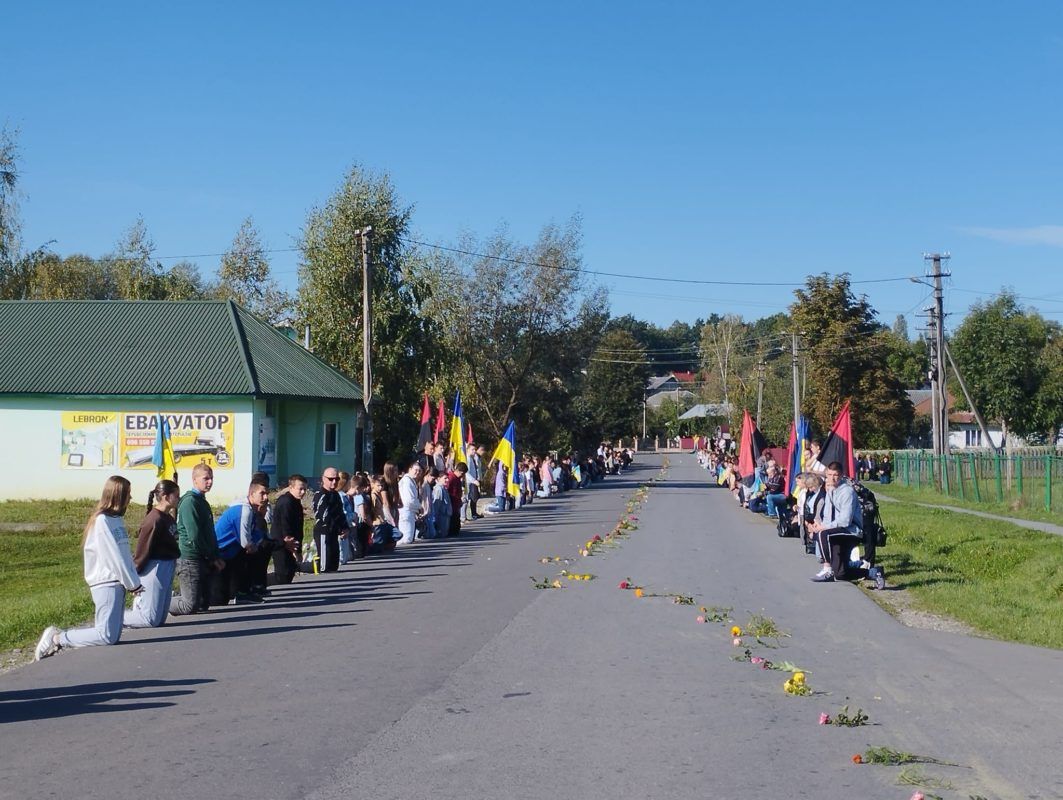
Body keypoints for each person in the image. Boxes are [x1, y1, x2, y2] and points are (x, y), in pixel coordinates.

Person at [35, 476, 143, 660]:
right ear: (118, 494)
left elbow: (124, 554)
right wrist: (132, 584)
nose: (130, 498)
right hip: (106, 581)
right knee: (106, 635)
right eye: (128, 494)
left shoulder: (116, 520)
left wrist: (133, 580)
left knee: (112, 636)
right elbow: (113, 557)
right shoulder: (102, 521)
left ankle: (60, 638)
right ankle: (57, 637)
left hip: (117, 582)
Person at [123, 479, 182, 629]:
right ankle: (113, 619)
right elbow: (143, 549)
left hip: (167, 565)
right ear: (166, 497)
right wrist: (134, 577)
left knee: (160, 618)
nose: (178, 499)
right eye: (176, 496)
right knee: (150, 619)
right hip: (155, 568)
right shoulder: (154, 520)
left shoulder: (168, 518)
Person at [170, 464, 224, 616]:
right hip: (190, 557)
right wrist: (212, 557)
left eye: (211, 478)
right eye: (205, 479)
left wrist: (216, 555)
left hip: (203, 557)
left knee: (203, 604)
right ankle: (160, 602)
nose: (210, 482)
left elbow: (209, 533)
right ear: (194, 480)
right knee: (190, 606)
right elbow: (195, 536)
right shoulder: (190, 502)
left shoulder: (202, 501)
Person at [212, 477, 269, 604]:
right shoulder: (245, 510)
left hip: (232, 552)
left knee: (261, 547)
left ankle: (244, 591)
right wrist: (255, 546)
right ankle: (244, 591)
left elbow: (255, 534)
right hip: (219, 552)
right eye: (262, 493)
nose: (265, 497)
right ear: (251, 494)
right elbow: (245, 542)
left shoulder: (252, 509)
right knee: (218, 600)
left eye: (267, 494)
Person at [808, 462, 863, 582]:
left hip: (852, 530)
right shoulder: (831, 490)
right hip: (838, 530)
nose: (832, 478)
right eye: (829, 474)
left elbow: (845, 520)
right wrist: (820, 526)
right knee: (840, 574)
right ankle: (872, 572)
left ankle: (827, 568)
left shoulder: (847, 492)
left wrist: (824, 528)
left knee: (823, 534)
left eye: (836, 475)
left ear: (842, 475)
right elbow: (827, 515)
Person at [270, 474, 307, 584]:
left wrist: (298, 549)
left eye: (305, 489)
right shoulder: (286, 502)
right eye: (300, 489)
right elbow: (286, 526)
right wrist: (294, 550)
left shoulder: (296, 502)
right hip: (282, 544)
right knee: (283, 574)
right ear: (291, 487)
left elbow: (298, 527)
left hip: (291, 544)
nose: (303, 492)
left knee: (289, 573)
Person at [313, 467, 346, 572]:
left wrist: (345, 527)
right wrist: (338, 528)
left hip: (334, 533)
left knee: (333, 565)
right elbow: (325, 516)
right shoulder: (320, 495)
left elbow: (341, 513)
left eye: (337, 479)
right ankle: (303, 567)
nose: (334, 482)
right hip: (324, 532)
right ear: (323, 479)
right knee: (324, 566)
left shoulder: (336, 495)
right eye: (331, 479)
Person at [397, 461, 422, 545]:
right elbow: (409, 500)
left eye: (419, 471)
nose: (417, 472)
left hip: (409, 512)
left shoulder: (411, 481)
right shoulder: (407, 481)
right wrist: (420, 507)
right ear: (410, 469)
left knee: (408, 538)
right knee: (406, 539)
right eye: (416, 470)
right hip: (406, 512)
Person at [445, 462, 467, 536]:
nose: (462, 476)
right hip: (451, 503)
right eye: (462, 474)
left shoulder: (457, 479)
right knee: (453, 522)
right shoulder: (451, 478)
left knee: (456, 524)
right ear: (458, 471)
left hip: (456, 503)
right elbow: (447, 490)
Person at [430, 468, 451, 538]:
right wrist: (435, 521)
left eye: (447, 478)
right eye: (445, 478)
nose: (447, 480)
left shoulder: (444, 489)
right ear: (438, 479)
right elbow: (436, 506)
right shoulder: (439, 489)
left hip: (445, 518)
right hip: (441, 519)